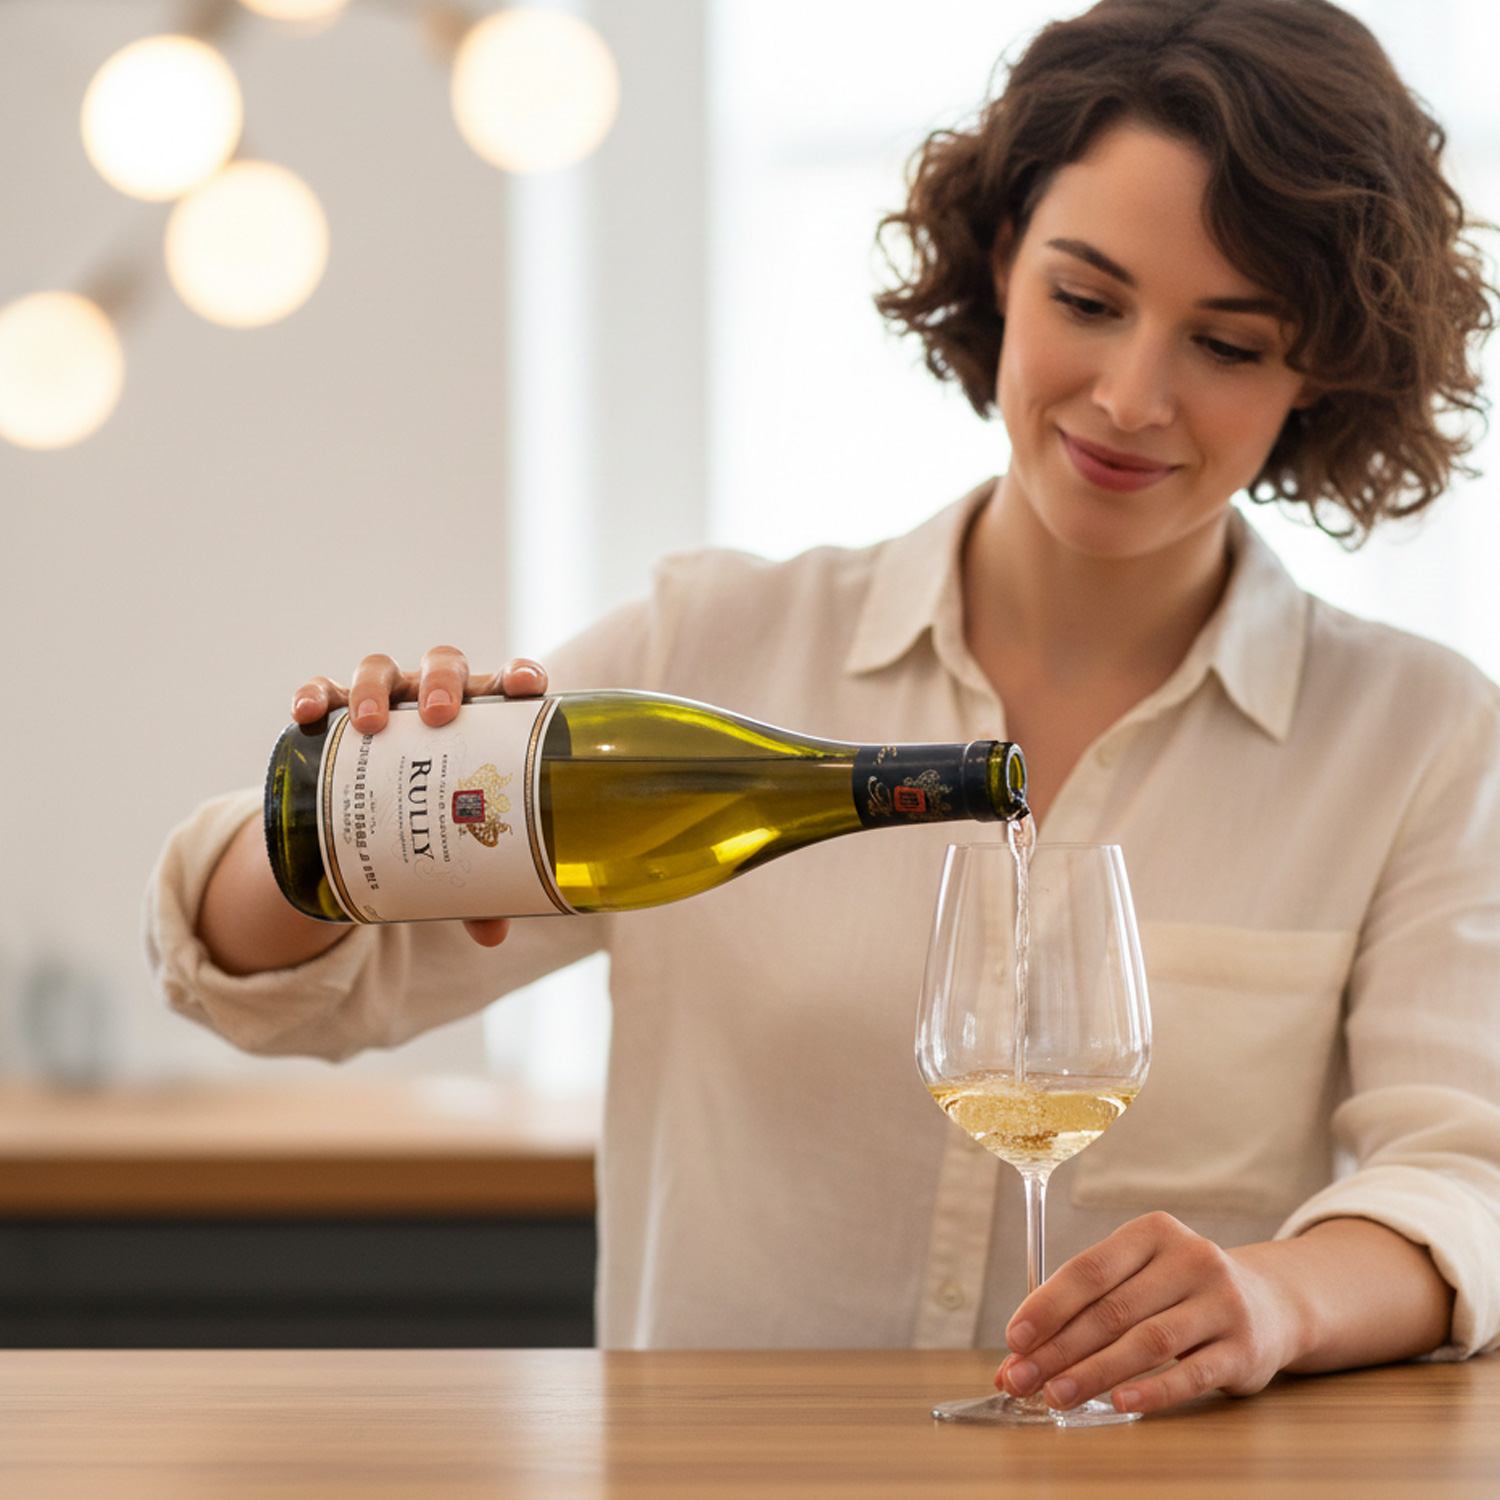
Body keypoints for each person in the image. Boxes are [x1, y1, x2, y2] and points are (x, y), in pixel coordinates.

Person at [147, 0, 1500, 1416]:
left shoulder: (1417, 738)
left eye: (1227, 344)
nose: (1129, 396)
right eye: (1088, 302)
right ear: (1003, 261)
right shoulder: (708, 647)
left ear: (1320, 368)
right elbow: (278, 999)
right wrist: (345, 805)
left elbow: (1465, 1181)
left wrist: (1274, 1297)